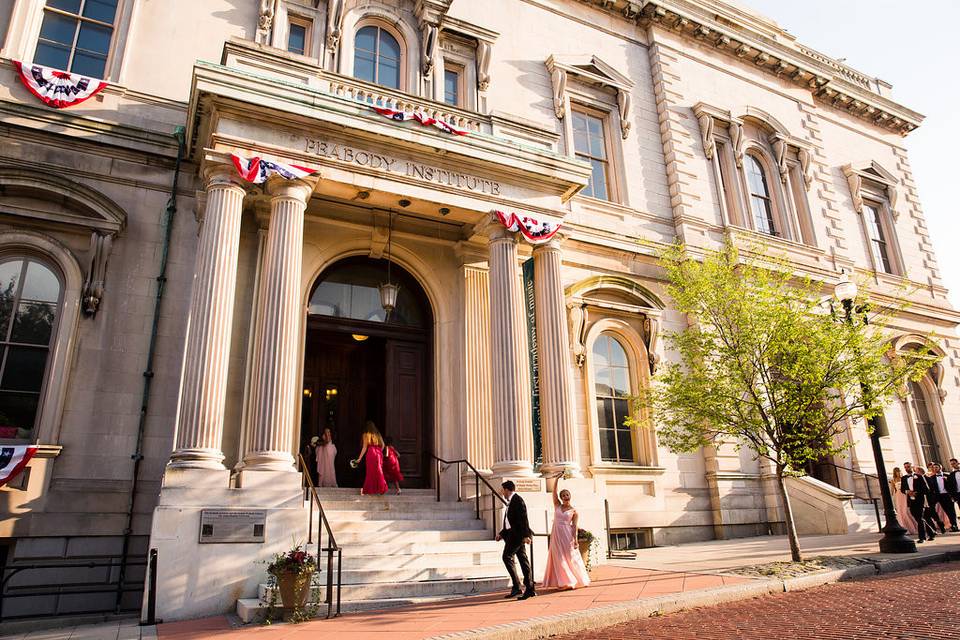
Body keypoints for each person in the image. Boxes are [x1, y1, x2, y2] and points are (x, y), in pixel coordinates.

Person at [542, 474, 591, 590]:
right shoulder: (557, 505)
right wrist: (557, 479)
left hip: (567, 535)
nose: (565, 497)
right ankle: (565, 582)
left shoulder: (574, 511)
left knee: (570, 557)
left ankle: (577, 579)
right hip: (556, 534)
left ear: (570, 496)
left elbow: (574, 526)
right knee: (558, 557)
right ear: (561, 497)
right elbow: (554, 492)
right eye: (563, 495)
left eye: (567, 495)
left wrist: (575, 540)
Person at [496, 480, 536, 600]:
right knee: (523, 560)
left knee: (507, 557)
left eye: (502, 490)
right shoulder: (511, 501)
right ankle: (528, 588)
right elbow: (510, 522)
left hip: (517, 535)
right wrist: (502, 534)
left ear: (507, 490)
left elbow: (523, 519)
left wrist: (526, 535)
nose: (502, 492)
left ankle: (519, 586)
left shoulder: (518, 500)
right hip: (511, 534)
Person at [901, 462, 937, 542]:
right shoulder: (904, 478)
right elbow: (902, 489)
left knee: (920, 518)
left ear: (912, 467)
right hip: (910, 501)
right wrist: (908, 492)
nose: (907, 468)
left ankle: (922, 537)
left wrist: (916, 492)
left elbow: (926, 489)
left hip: (920, 500)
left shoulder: (920, 477)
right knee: (918, 518)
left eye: (908, 467)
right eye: (905, 467)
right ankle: (931, 533)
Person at [355, 420, 387, 496]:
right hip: (378, 453)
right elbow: (383, 445)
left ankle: (367, 490)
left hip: (371, 452)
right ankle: (381, 488)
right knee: (379, 471)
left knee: (370, 472)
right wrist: (379, 451)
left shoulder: (366, 434)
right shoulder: (377, 434)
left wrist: (359, 458)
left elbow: (364, 447)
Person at [924, 462, 958, 532]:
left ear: (940, 468)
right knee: (932, 509)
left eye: (936, 467)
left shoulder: (948, 475)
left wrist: (953, 495)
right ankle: (940, 524)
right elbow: (930, 488)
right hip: (938, 496)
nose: (935, 469)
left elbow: (952, 486)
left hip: (947, 495)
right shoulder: (932, 478)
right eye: (933, 468)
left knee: (951, 511)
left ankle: (954, 526)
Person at [891, 467, 917, 535]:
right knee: (900, 511)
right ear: (895, 473)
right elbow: (892, 490)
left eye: (899, 471)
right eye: (897, 471)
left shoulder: (904, 478)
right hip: (898, 496)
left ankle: (912, 527)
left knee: (906, 511)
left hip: (905, 495)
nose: (898, 473)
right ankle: (903, 527)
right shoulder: (893, 480)